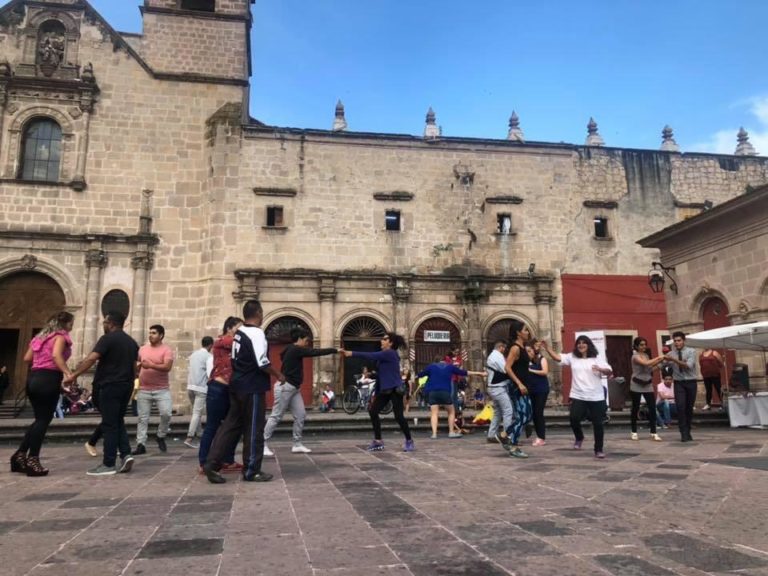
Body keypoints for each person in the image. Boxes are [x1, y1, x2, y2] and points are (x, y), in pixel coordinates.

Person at [203, 300, 284, 484]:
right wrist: (279, 374)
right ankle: (252, 470)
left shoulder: (239, 333)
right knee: (254, 427)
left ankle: (211, 462)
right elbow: (262, 362)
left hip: (236, 384)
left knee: (230, 426)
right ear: (259, 312)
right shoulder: (256, 333)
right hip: (252, 386)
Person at [65, 311, 139, 476]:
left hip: (109, 386)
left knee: (109, 424)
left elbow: (92, 358)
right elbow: (135, 368)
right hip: (125, 386)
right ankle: (126, 454)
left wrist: (74, 375)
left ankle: (108, 463)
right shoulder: (132, 343)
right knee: (117, 420)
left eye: (105, 322)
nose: (103, 324)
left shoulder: (107, 339)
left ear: (111, 323)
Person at [11, 311, 74, 477]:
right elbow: (56, 356)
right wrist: (68, 373)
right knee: (43, 420)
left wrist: (42, 363)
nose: (71, 326)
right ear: (66, 323)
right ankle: (33, 460)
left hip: (34, 378)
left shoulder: (40, 338)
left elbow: (27, 358)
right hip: (48, 378)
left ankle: (19, 455)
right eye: (71, 323)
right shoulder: (60, 337)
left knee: (39, 420)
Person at [263, 327, 337, 455]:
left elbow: (282, 356)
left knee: (301, 415)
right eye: (306, 340)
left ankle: (297, 444)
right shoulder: (296, 349)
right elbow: (314, 352)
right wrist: (334, 350)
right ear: (300, 339)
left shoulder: (288, 349)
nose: (307, 343)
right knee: (276, 416)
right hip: (285, 388)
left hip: (294, 389)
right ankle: (261, 444)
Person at [541, 336, 613, 459]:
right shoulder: (572, 357)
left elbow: (609, 371)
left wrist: (601, 369)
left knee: (598, 424)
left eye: (583, 343)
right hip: (578, 395)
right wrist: (547, 348)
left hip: (596, 396)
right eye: (579, 343)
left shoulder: (596, 358)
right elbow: (557, 358)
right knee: (574, 418)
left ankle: (598, 449)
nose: (581, 345)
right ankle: (579, 437)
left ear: (588, 345)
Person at [340, 332, 414, 452]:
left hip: (395, 389)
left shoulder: (389, 353)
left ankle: (409, 441)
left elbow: (371, 355)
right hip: (385, 390)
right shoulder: (386, 355)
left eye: (384, 339)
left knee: (399, 416)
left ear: (390, 343)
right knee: (373, 411)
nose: (381, 340)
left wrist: (351, 353)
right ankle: (378, 441)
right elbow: (382, 374)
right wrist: (373, 378)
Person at [198, 316, 243, 474]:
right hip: (218, 388)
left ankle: (227, 460)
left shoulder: (235, 343)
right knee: (212, 426)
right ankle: (203, 462)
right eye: (239, 328)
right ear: (230, 328)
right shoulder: (222, 342)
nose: (241, 331)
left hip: (230, 389)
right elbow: (236, 344)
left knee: (231, 426)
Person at [418, 355, 483, 439]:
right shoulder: (450, 367)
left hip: (432, 392)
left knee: (434, 413)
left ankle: (434, 434)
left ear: (435, 361)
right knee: (451, 412)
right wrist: (479, 373)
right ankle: (451, 432)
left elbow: (420, 374)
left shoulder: (431, 367)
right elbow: (464, 372)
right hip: (445, 392)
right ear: (445, 361)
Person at [135, 324, 175, 454]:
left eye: (154, 333)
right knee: (142, 418)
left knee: (166, 414)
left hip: (162, 389)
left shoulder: (167, 350)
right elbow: (137, 364)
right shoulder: (142, 349)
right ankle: (141, 444)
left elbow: (167, 367)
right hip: (144, 388)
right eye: (150, 332)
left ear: (161, 335)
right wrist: (137, 367)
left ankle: (160, 435)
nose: (150, 335)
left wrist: (151, 365)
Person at [504, 320, 533, 458]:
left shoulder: (523, 347)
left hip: (524, 386)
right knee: (523, 416)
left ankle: (504, 434)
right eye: (525, 330)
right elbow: (507, 367)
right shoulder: (515, 348)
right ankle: (513, 445)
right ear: (518, 333)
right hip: (517, 387)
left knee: (527, 415)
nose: (527, 332)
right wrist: (519, 384)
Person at [630, 337, 665, 442]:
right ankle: (634, 431)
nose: (643, 346)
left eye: (644, 344)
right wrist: (660, 357)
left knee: (652, 407)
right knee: (635, 408)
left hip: (647, 384)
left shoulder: (646, 355)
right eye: (641, 344)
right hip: (636, 384)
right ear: (636, 346)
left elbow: (649, 369)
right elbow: (646, 364)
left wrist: (661, 364)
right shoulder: (635, 356)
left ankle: (653, 432)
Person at [666, 331, 698, 442]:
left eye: (679, 340)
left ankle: (688, 431)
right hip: (679, 383)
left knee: (689, 408)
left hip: (691, 382)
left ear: (684, 341)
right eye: (675, 341)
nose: (677, 343)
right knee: (680, 407)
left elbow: (688, 366)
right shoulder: (670, 354)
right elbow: (662, 364)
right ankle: (683, 433)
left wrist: (674, 360)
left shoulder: (691, 351)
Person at [184, 336, 214, 449]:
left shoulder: (193, 355)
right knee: (197, 414)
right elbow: (210, 373)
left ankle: (200, 434)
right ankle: (189, 437)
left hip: (190, 386)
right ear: (211, 345)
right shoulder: (209, 357)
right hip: (201, 387)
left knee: (195, 413)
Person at [485, 340, 514, 450]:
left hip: (495, 388)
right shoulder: (497, 356)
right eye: (504, 348)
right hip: (498, 388)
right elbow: (506, 369)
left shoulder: (493, 356)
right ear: (501, 347)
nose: (505, 351)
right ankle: (508, 436)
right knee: (508, 411)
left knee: (497, 412)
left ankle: (491, 435)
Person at [526, 341, 550, 447]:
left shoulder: (541, 359)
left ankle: (541, 437)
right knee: (532, 412)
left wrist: (530, 370)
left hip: (541, 389)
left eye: (530, 350)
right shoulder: (527, 361)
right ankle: (531, 429)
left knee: (538, 412)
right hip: (531, 390)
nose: (528, 353)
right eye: (526, 351)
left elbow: (544, 372)